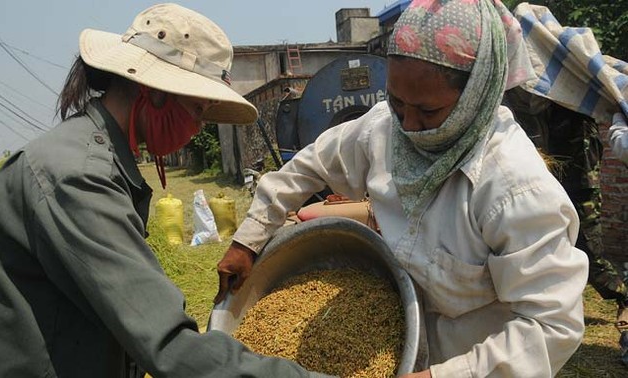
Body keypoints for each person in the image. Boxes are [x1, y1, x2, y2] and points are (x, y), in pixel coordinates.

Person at [215, 1, 589, 377]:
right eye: (396, 101)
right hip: (390, 347)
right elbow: (311, 164)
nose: (408, 125)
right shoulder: (384, 129)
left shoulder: (512, 188)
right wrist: (249, 238)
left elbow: (551, 327)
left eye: (428, 113)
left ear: (476, 93)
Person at [0, 4, 332, 378]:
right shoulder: (77, 176)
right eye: (196, 109)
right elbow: (169, 347)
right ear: (151, 90)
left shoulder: (102, 161)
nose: (196, 127)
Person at [504, 87, 628, 366]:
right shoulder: (534, 91)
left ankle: (622, 294)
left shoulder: (572, 82)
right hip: (551, 170)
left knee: (587, 244)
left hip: (579, 171)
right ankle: (561, 302)